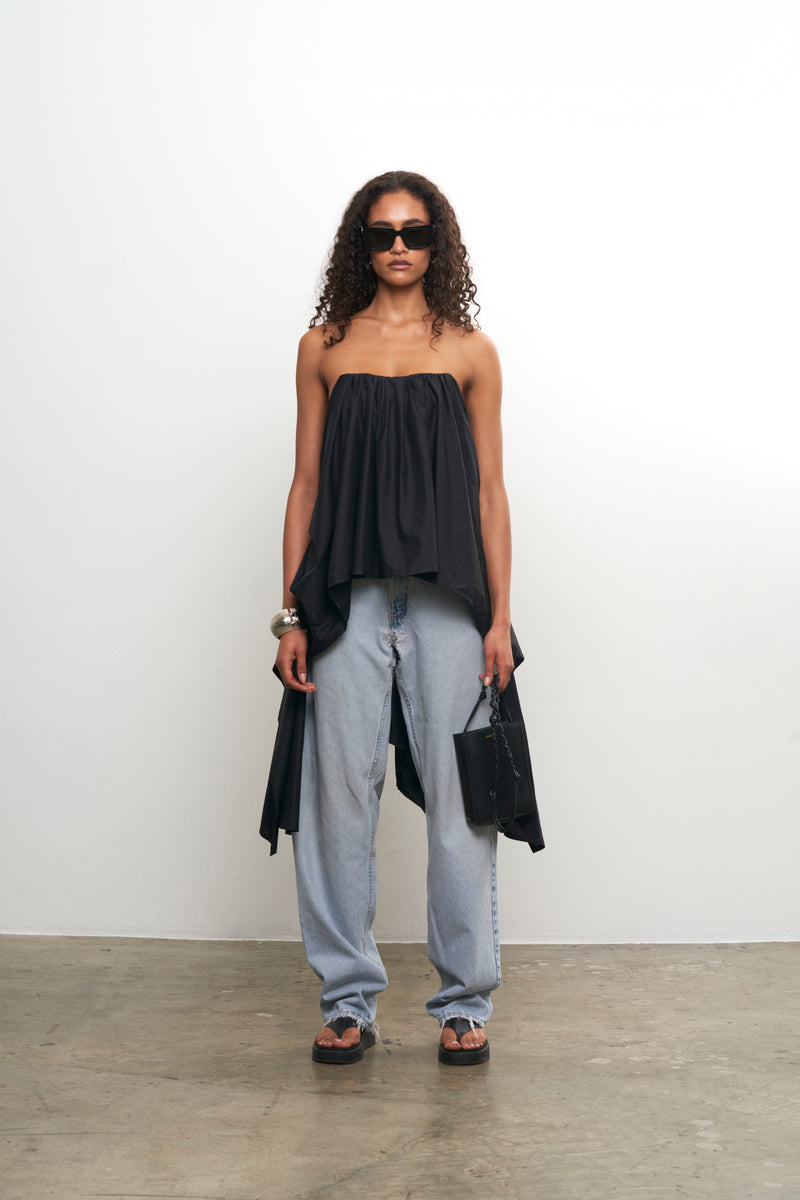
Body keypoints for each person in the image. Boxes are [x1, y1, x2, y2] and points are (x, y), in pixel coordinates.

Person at [262, 170, 543, 1066]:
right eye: (382, 232)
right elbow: (305, 486)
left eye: (414, 233)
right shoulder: (323, 346)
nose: (397, 247)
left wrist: (500, 619)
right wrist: (291, 614)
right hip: (343, 600)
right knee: (338, 802)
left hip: (448, 604)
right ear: (362, 243)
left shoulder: (470, 351)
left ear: (436, 245)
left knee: (462, 804)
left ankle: (463, 1003)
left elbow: (491, 493)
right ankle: (348, 1000)